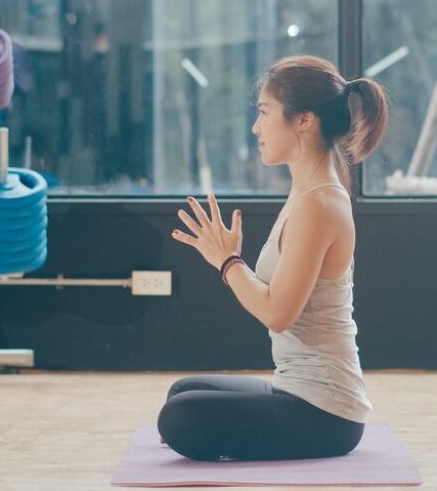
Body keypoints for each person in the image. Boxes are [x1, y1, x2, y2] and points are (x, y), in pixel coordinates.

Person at [160, 55, 390, 461]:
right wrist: (228, 259)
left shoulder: (319, 204)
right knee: (182, 393)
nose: (256, 127)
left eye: (265, 112)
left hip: (325, 413)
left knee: (180, 418)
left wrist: (228, 262)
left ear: (304, 120)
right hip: (294, 388)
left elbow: (278, 313)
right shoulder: (307, 189)